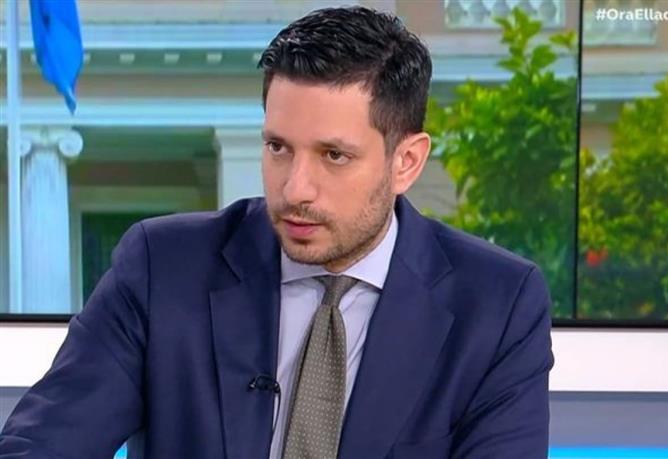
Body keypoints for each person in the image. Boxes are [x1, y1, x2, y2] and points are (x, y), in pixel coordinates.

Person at [0, 6, 554, 459]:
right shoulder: (162, 268)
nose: (295, 188)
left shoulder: (497, 306)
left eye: (334, 155)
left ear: (405, 161)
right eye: (278, 147)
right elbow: (41, 446)